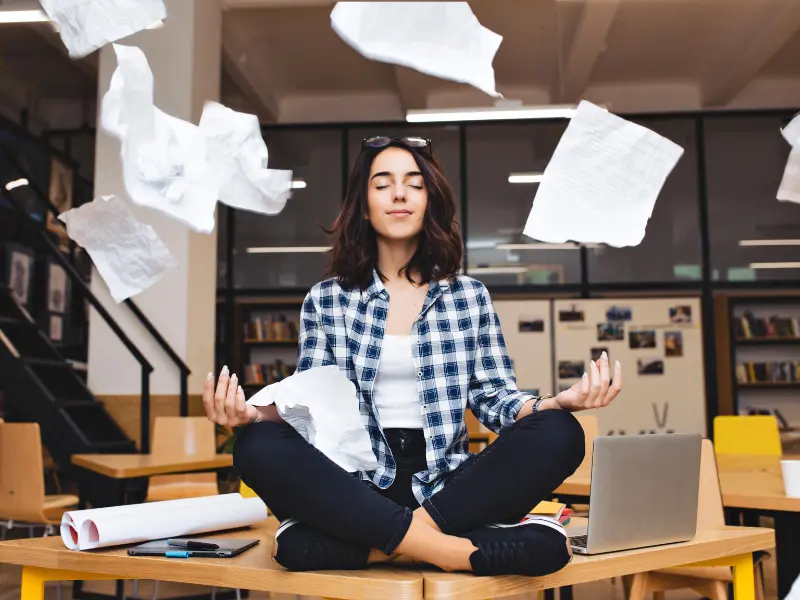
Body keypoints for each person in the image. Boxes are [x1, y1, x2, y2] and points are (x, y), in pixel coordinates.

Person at [203, 136, 623, 576]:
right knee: (255, 446)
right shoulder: (327, 299)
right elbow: (314, 410)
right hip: (356, 485)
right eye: (383, 184)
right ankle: (453, 552)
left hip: (449, 489)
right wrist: (250, 417)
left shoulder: (468, 296)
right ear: (363, 206)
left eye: (414, 184)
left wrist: (557, 403)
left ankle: (387, 543)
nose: (399, 194)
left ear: (429, 201)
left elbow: (494, 398)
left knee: (561, 432)